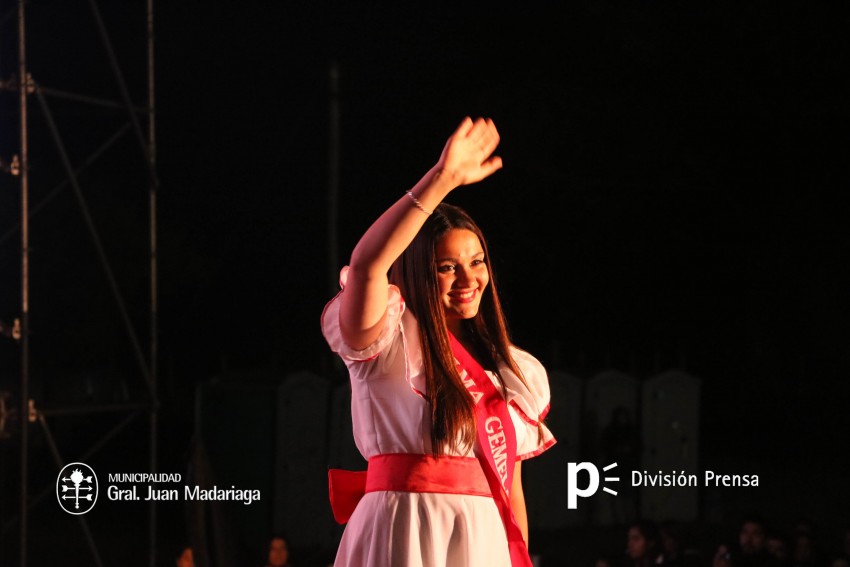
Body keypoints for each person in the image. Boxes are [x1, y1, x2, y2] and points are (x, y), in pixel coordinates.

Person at [321, 116, 555, 567]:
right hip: (401, 526)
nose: (468, 279)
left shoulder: (513, 370)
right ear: (417, 272)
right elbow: (368, 264)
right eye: (447, 267)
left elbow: (511, 494)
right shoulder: (386, 341)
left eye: (477, 261)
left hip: (482, 537)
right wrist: (443, 179)